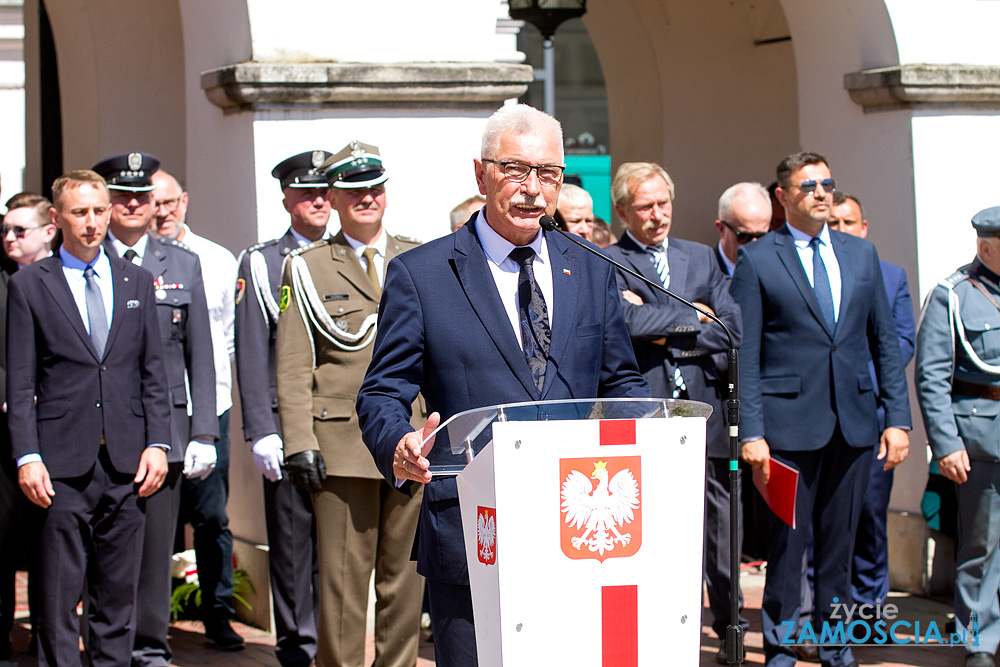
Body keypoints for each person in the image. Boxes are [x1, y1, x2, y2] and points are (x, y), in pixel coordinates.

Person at [355, 104, 649, 667]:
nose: (533, 190)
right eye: (516, 170)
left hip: (578, 525)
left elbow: (622, 380)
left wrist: (646, 439)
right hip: (473, 529)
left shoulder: (590, 266)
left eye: (549, 174)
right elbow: (382, 391)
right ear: (481, 173)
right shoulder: (422, 274)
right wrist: (398, 443)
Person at [729, 151, 910, 667]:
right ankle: (783, 650)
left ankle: (836, 647)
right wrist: (752, 430)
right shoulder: (760, 259)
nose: (822, 193)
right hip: (786, 428)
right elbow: (748, 352)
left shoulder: (861, 254)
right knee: (788, 548)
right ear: (783, 197)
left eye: (827, 184)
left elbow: (884, 347)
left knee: (841, 544)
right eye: (809, 186)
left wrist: (897, 419)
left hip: (854, 424)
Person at [7, 170, 171, 667]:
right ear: (56, 219)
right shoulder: (30, 286)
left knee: (116, 598)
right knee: (57, 600)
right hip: (59, 466)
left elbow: (153, 373)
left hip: (126, 465)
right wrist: (27, 456)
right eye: (80, 212)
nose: (93, 222)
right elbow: (19, 381)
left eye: (100, 210)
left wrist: (158, 444)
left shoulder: (136, 280)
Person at [276, 141, 424, 667]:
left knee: (405, 582)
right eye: (353, 189)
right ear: (333, 198)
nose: (367, 197)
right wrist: (299, 442)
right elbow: (294, 362)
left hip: (413, 443)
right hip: (340, 446)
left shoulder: (419, 256)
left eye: (374, 187)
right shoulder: (307, 268)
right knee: (342, 587)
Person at [603, 163, 746, 663]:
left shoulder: (701, 257)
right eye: (645, 206)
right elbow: (621, 323)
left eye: (664, 203)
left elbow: (731, 331)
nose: (658, 214)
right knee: (662, 542)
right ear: (622, 209)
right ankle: (665, 640)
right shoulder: (607, 260)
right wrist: (692, 316)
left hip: (705, 416)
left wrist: (662, 327)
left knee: (723, 540)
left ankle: (731, 636)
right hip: (647, 417)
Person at [91, 153, 230, 661]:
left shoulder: (183, 262)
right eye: (121, 197)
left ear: (155, 203)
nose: (131, 206)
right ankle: (106, 643)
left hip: (164, 429)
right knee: (100, 549)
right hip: (99, 429)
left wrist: (205, 433)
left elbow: (202, 353)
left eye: (139, 197)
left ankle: (149, 648)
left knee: (154, 551)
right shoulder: (85, 258)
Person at [234, 150, 327, 667]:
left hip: (342, 425)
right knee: (292, 547)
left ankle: (333, 638)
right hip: (286, 427)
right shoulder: (263, 261)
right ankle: (297, 645)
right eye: (305, 192)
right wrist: (261, 431)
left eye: (323, 191)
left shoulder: (350, 256)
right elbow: (251, 348)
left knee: (337, 547)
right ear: (286, 198)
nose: (317, 200)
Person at [150, 168, 243, 652]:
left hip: (210, 406)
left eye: (169, 202)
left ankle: (217, 613)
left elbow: (226, 335)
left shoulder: (217, 259)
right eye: (153, 203)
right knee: (153, 515)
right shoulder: (138, 261)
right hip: (154, 406)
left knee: (211, 518)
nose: (161, 211)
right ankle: (150, 616)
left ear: (184, 201)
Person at [915, 205, 1000, 667]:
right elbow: (932, 377)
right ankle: (979, 643)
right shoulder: (953, 294)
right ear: (986, 246)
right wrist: (945, 444)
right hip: (982, 437)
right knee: (982, 548)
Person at [828, 191, 916, 610]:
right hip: (821, 414)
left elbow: (900, 342)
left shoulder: (891, 274)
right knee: (819, 524)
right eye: (834, 223)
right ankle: (824, 611)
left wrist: (856, 373)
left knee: (868, 518)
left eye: (850, 223)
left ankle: (868, 609)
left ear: (864, 229)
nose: (842, 229)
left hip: (871, 412)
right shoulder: (813, 273)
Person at [0, 193, 56, 659]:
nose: (10, 238)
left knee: (52, 540)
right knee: (4, 537)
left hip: (56, 432)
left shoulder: (62, 280)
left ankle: (48, 632)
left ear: (47, 232)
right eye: (6, 230)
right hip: (6, 433)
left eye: (20, 230)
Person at [713, 182, 771, 277]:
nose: (754, 243)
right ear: (721, 229)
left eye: (761, 236)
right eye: (744, 236)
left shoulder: (774, 275)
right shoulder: (702, 276)